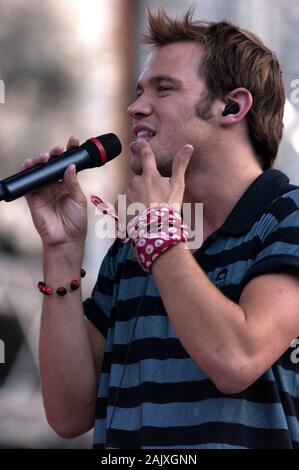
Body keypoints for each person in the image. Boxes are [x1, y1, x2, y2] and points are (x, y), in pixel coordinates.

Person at [23, 9, 299, 449]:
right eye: (137, 91)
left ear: (232, 105)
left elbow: (236, 358)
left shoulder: (287, 217)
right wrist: (60, 249)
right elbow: (69, 413)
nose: (136, 107)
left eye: (163, 88)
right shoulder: (133, 245)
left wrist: (159, 237)